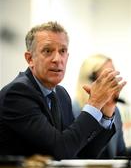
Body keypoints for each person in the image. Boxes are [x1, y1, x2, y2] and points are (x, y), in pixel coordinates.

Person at [0, 22, 126, 160]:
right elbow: (60, 150)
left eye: (62, 51)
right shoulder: (17, 93)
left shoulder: (61, 94)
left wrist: (106, 112)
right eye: (47, 51)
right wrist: (95, 103)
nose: (57, 59)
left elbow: (80, 153)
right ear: (30, 59)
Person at [73, 54, 128, 158]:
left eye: (114, 76)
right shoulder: (72, 109)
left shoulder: (114, 111)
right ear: (90, 80)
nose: (114, 81)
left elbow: (121, 153)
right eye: (108, 76)